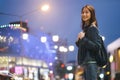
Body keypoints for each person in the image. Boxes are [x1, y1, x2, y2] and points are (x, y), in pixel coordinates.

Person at [75, 4, 101, 80]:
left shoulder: (92, 28)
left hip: (91, 63)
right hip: (87, 63)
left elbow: (96, 47)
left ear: (91, 14)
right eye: (83, 12)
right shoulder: (86, 29)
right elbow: (86, 47)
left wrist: (83, 38)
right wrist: (79, 41)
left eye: (87, 12)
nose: (84, 14)